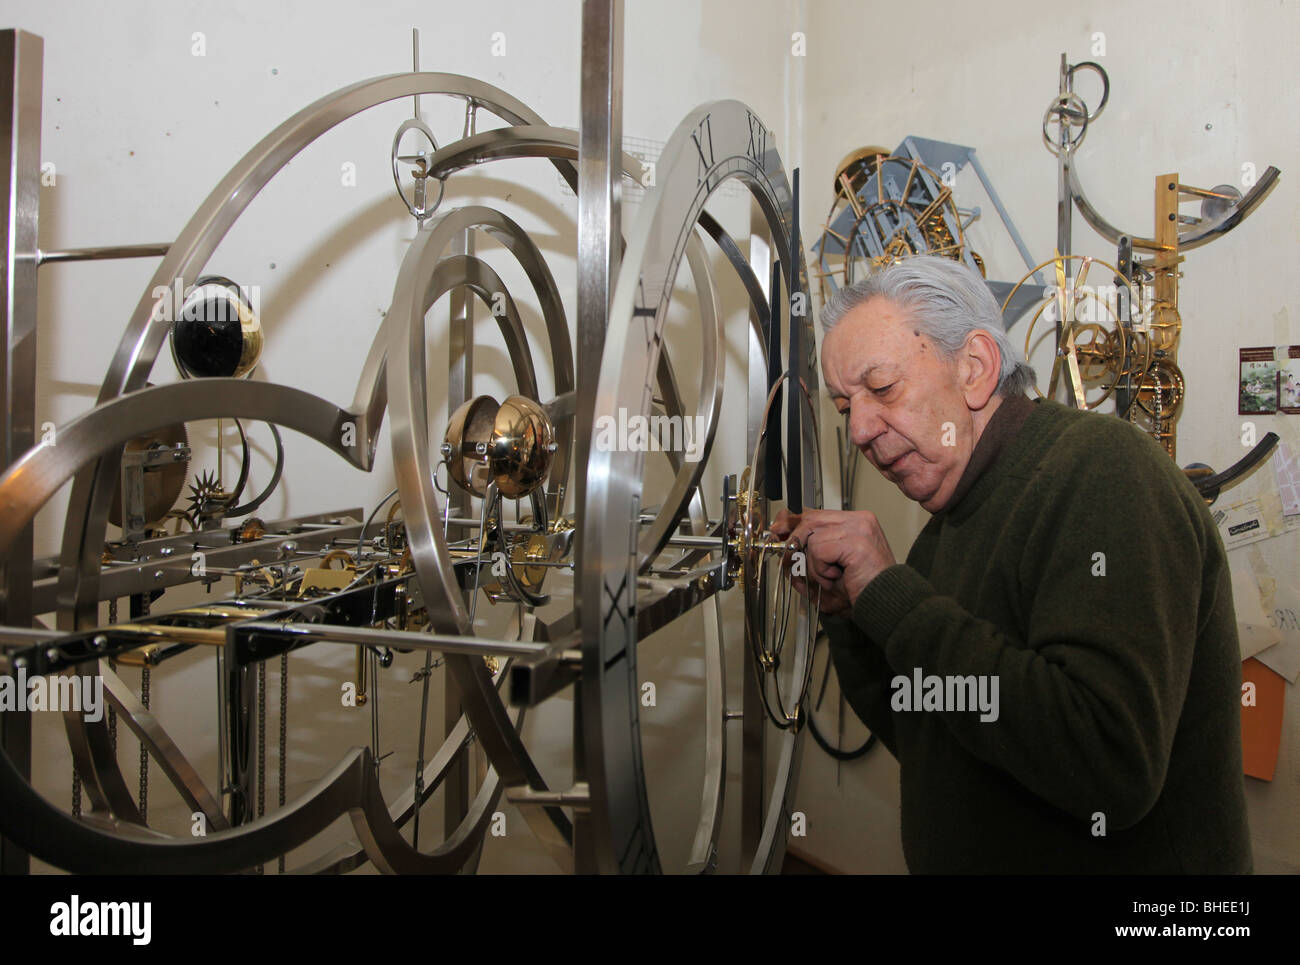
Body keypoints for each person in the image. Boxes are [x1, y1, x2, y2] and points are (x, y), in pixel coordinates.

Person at [773, 255, 1251, 873]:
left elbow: (1108, 764)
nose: (861, 429)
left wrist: (893, 593)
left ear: (974, 369)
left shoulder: (1104, 471)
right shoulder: (951, 519)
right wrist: (853, 612)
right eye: (845, 408)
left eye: (883, 388)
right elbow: (931, 734)